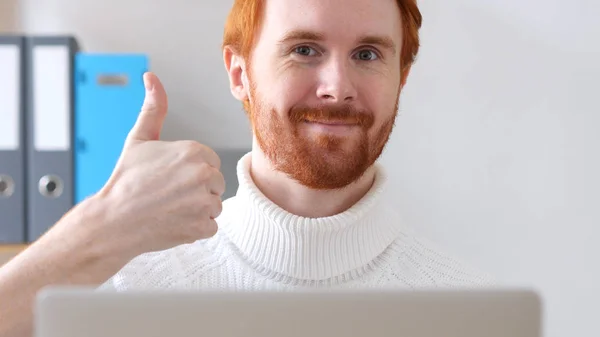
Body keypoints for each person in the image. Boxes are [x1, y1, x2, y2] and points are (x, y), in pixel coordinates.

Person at [0, 0, 494, 335]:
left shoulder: (472, 311)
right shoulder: (124, 288)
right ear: (240, 75)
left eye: (367, 54)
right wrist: (101, 225)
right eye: (305, 50)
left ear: (400, 79)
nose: (337, 86)